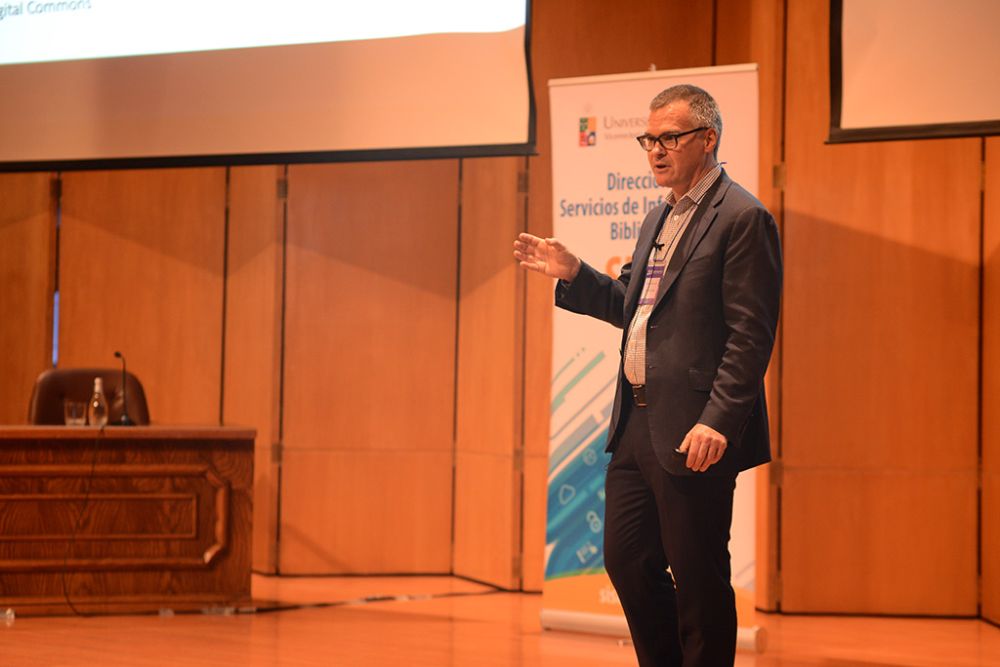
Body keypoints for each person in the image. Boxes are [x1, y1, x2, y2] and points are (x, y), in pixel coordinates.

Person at [513, 84, 782, 667]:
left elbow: (751, 335)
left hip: (696, 430)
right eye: (649, 140)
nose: (656, 151)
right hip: (636, 421)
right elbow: (634, 310)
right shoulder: (659, 217)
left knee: (698, 573)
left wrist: (719, 421)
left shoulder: (742, 218)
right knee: (628, 560)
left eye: (670, 138)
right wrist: (575, 271)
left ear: (707, 139)